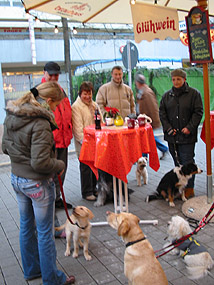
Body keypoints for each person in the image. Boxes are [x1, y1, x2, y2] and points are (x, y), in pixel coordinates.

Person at [2, 82, 75, 284]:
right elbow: (41, 162)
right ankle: (52, 279)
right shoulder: (40, 122)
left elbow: (5, 148)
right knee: (44, 233)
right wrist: (59, 164)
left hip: (17, 179)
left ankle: (32, 270)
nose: (55, 110)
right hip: (36, 183)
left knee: (26, 226)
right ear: (49, 101)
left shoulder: (12, 113)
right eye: (55, 106)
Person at [159, 68, 203, 198]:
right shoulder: (167, 96)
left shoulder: (194, 94)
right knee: (177, 165)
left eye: (179, 79)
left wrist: (189, 127)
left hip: (187, 136)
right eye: (173, 79)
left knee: (188, 162)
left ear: (184, 79)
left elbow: (198, 112)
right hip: (172, 137)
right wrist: (168, 128)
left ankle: (189, 190)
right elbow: (162, 113)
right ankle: (179, 189)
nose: (176, 81)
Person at [42, 61, 73, 209]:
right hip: (50, 141)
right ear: (44, 73)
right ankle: (51, 201)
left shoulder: (61, 90)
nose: (54, 77)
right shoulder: (39, 91)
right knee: (51, 175)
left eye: (56, 75)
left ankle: (57, 199)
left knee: (62, 172)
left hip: (63, 139)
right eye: (51, 74)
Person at [72, 81, 102, 201]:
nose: (87, 96)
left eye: (89, 93)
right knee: (85, 168)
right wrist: (83, 142)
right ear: (80, 94)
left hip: (95, 142)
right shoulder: (76, 107)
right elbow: (77, 128)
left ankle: (94, 188)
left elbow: (100, 121)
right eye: (85, 94)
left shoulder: (94, 105)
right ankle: (86, 192)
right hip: (84, 143)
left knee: (94, 166)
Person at [135, 73, 168, 159]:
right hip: (143, 119)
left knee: (147, 138)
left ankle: (145, 156)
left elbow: (153, 108)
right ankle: (145, 155)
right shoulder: (143, 91)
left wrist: (153, 121)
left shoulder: (146, 92)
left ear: (138, 82)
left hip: (147, 120)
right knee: (147, 138)